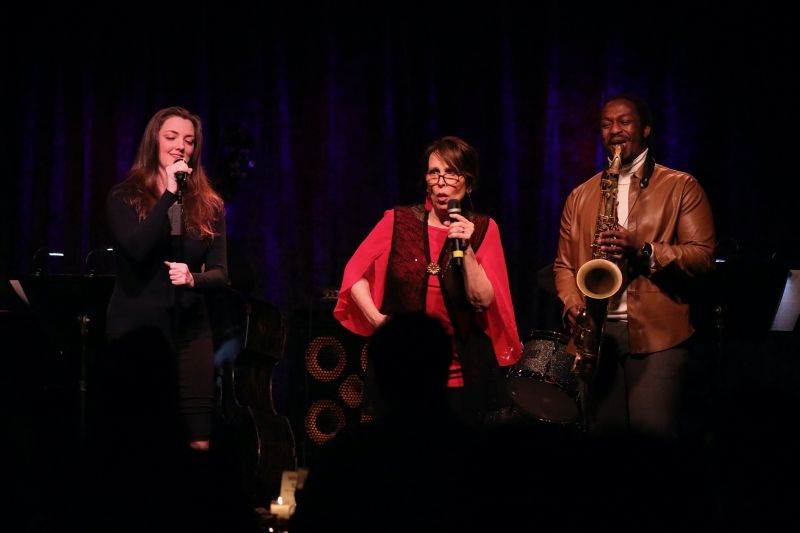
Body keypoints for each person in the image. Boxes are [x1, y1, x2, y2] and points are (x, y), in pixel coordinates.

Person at [553, 93, 715, 439]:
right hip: (597, 334)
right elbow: (564, 266)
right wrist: (571, 301)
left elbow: (702, 257)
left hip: (659, 335)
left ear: (646, 129)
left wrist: (643, 250)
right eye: (606, 124)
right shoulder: (579, 195)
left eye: (624, 122)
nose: (615, 130)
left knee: (650, 441)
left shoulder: (681, 186)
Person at [333, 135, 521, 427]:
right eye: (434, 173)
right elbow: (354, 274)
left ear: (469, 183)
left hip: (462, 374)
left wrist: (466, 249)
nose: (441, 183)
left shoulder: (483, 228)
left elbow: (483, 299)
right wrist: (379, 322)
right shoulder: (398, 220)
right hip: (403, 371)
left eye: (452, 173)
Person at [105, 106, 228, 452]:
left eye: (189, 140)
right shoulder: (124, 196)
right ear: (153, 142)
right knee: (138, 433)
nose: (180, 146)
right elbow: (137, 248)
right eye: (171, 137)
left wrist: (193, 279)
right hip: (137, 328)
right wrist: (170, 194)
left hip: (190, 328)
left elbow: (221, 274)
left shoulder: (210, 205)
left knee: (198, 434)